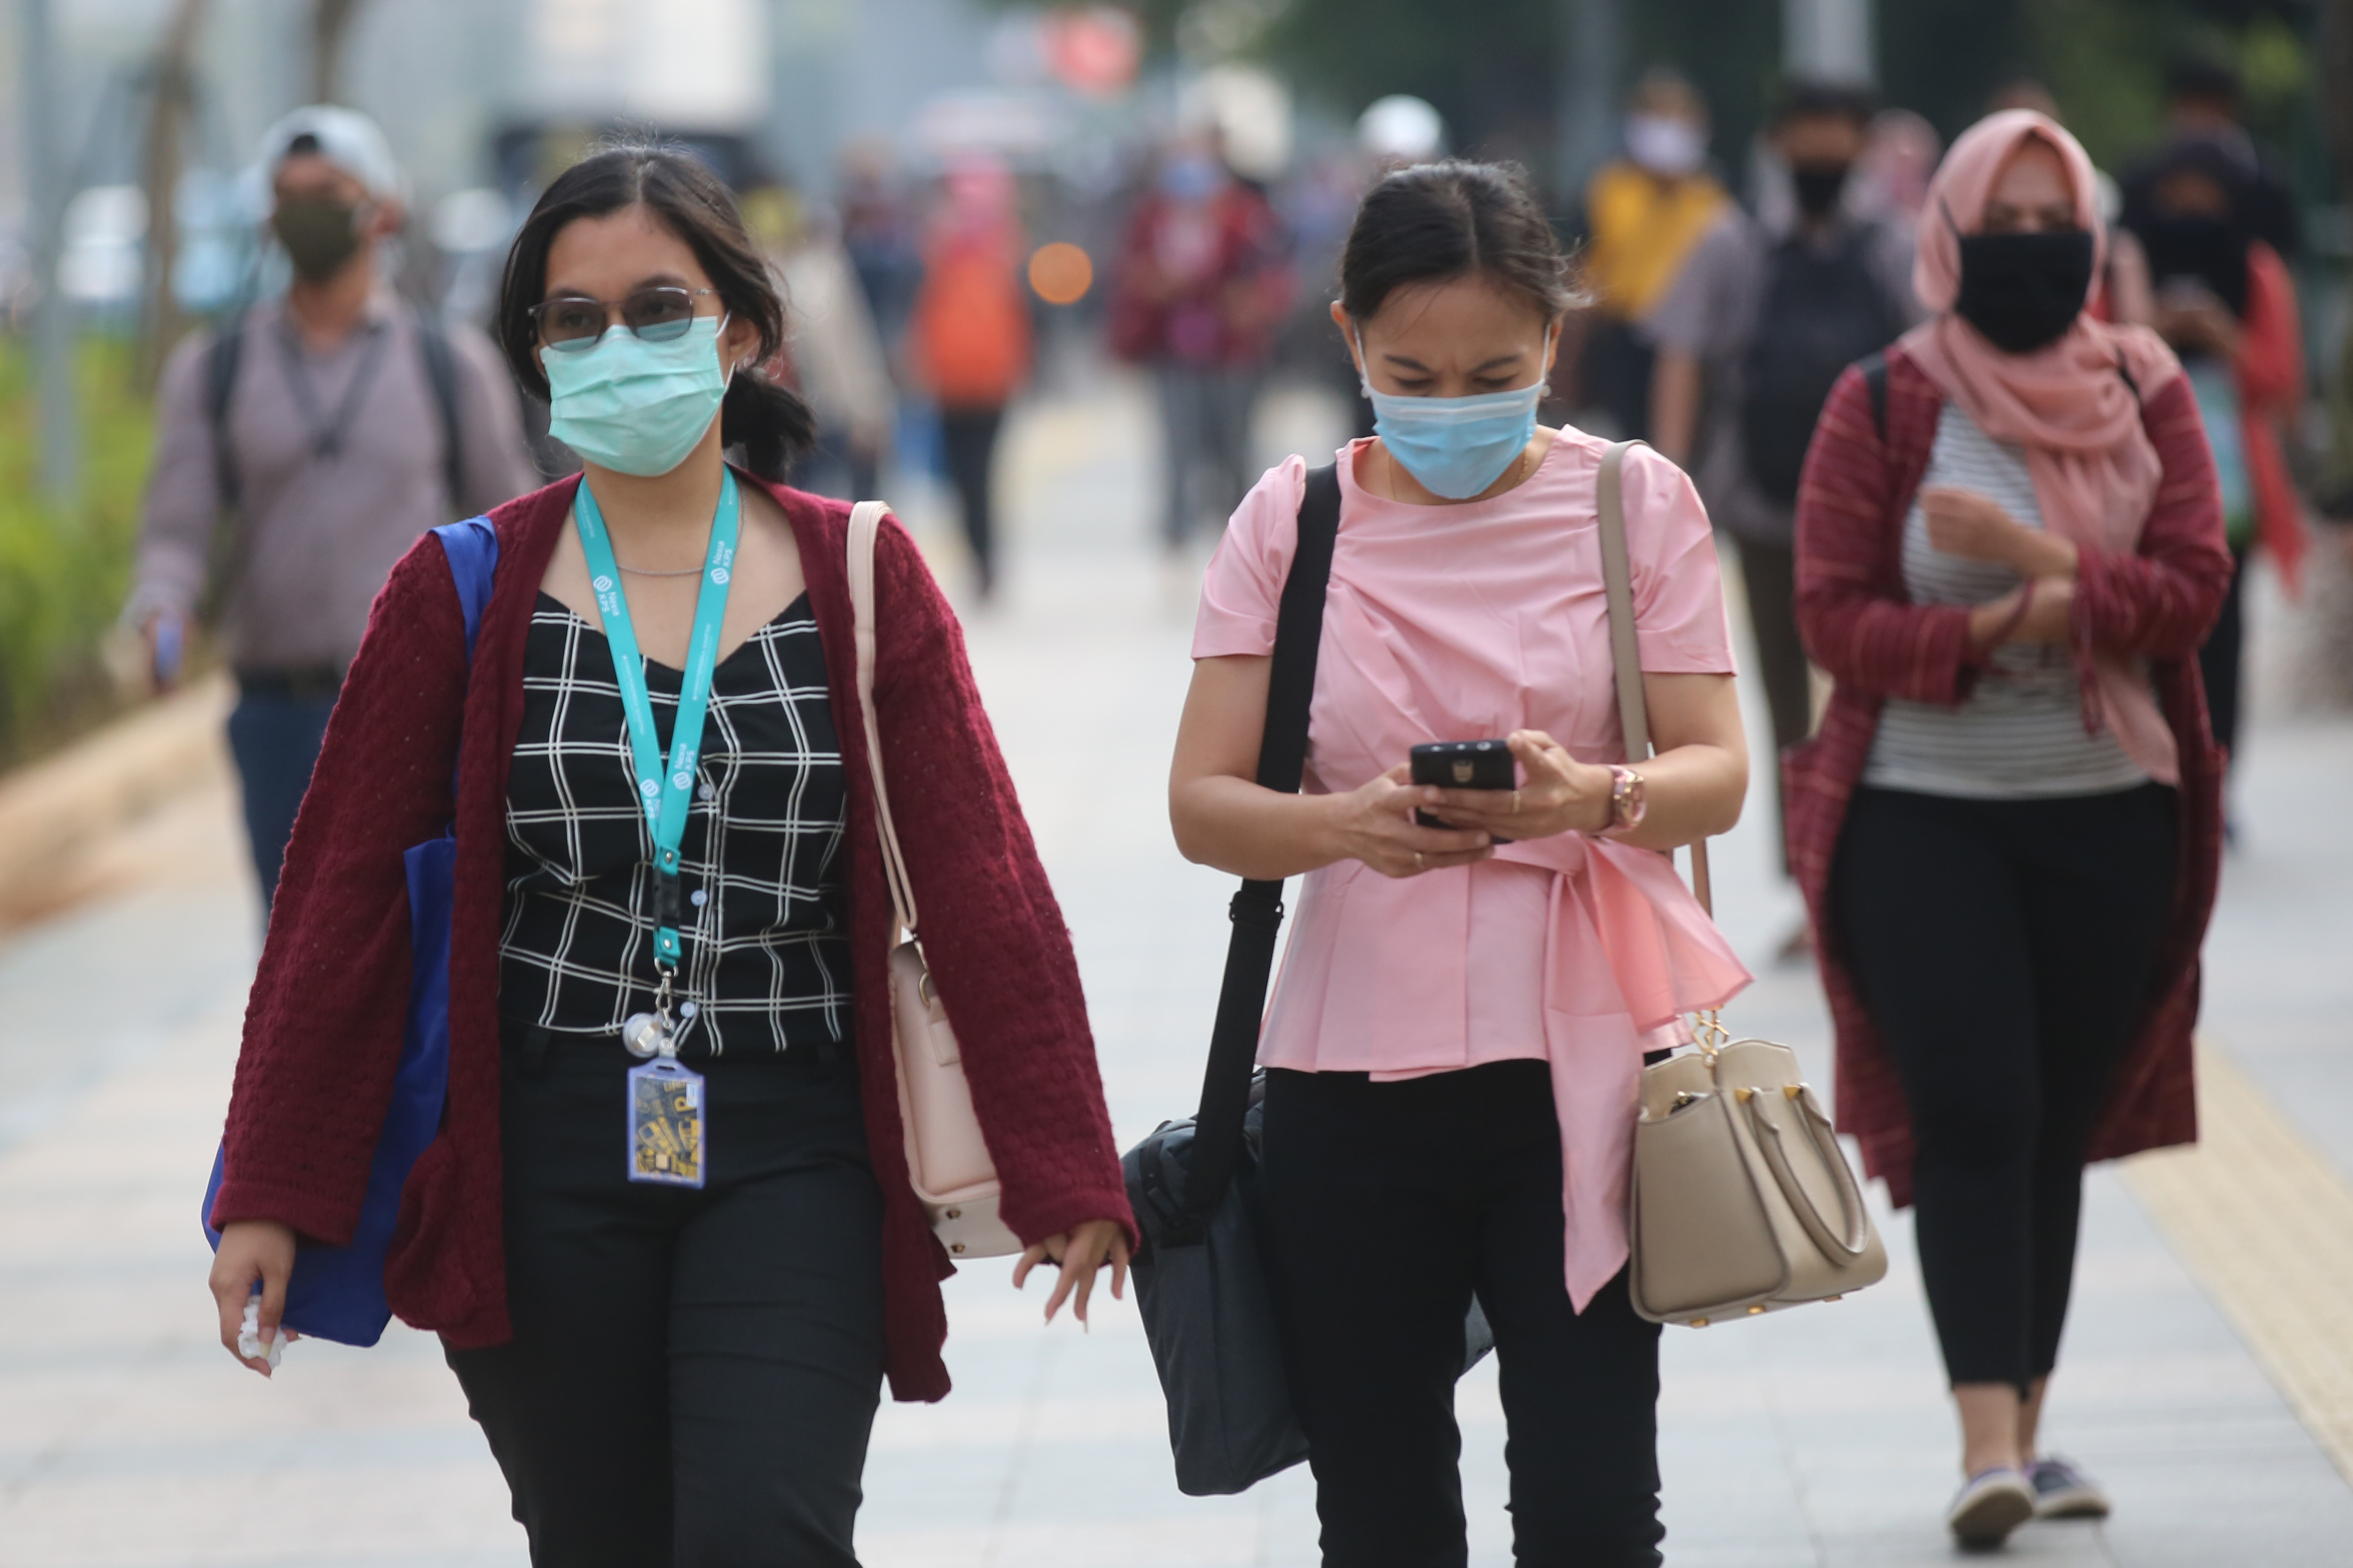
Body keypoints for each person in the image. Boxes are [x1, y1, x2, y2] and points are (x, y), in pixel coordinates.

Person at [203, 143, 1135, 1565]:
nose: (613, 348)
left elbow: (980, 880)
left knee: (767, 1528)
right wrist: (270, 1193)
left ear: (741, 332)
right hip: (543, 1143)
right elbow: (337, 904)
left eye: (655, 308)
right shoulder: (456, 587)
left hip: (797, 1140)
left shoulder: (862, 573)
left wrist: (1064, 1164)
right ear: (531, 351)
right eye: (570, 321)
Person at [1170, 160, 1751, 1567]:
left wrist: (1592, 792)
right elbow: (1200, 802)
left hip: (1587, 1078)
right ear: (1347, 337)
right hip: (1342, 1083)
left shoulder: (1634, 502)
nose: (1450, 407)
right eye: (1409, 373)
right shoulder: (1290, 519)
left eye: (1493, 369)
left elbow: (1713, 768)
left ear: (1555, 339)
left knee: (1590, 1508)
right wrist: (1342, 825)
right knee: (1377, 1514)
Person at [1787, 111, 2229, 1547]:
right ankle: (1985, 1443)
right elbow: (1828, 615)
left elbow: (2190, 588)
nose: (2031, 250)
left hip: (2109, 821)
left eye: (2059, 223)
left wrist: (2053, 586)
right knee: (1973, 1111)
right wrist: (1986, 634)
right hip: (1920, 817)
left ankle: (2027, 1434)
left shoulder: (2144, 385)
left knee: (2049, 1124)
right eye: (2004, 220)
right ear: (1946, 229)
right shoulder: (1883, 400)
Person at [124, 105, 536, 908]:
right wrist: (162, 609)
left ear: (383, 210)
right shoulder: (213, 369)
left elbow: (509, 529)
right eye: (288, 195)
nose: (305, 210)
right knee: (295, 952)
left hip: (418, 708)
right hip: (278, 714)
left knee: (416, 948)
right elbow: (177, 524)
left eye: (328, 191)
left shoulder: (449, 363)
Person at [1649, 80, 1916, 912]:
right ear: (1777, 142)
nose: (1821, 156)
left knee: (1872, 686)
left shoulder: (1894, 247)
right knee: (1782, 697)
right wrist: (1663, 480)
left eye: (1837, 138)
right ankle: (1813, 881)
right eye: (1807, 137)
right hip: (1763, 509)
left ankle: (1866, 861)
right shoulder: (1732, 243)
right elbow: (1682, 357)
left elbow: (1930, 364)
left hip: (1876, 517)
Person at [2121, 137, 2307, 789]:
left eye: (2205, 200)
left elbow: (2280, 382)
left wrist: (2226, 339)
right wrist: (2155, 333)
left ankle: (2213, 778)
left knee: (2222, 639)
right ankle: (2153, 771)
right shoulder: (2123, 262)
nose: (2189, 213)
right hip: (2136, 487)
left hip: (2230, 493)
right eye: (2177, 199)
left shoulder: (2255, 272)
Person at [1107, 135, 1293, 552]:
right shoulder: (1150, 222)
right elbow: (1129, 278)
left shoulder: (1246, 221)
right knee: (1177, 444)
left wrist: (1245, 303)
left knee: (1235, 445)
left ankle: (1243, 532)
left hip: (1233, 354)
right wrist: (1158, 287)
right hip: (1172, 353)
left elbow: (1273, 282)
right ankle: (1176, 533)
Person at [1570, 68, 1729, 441]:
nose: (1668, 131)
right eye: (1657, 117)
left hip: (1693, 346)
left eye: (1679, 119)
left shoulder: (1712, 198)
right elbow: (1583, 262)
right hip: (1622, 339)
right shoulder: (1608, 188)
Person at [907, 154, 1031, 598]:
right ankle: (983, 561)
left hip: (971, 382)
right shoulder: (996, 250)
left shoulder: (948, 252)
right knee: (974, 477)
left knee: (969, 478)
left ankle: (982, 559)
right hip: (968, 382)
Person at [743, 183, 895, 501]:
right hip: (762, 420)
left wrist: (868, 411)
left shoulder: (823, 270)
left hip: (822, 416)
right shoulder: (742, 279)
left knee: (821, 511)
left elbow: (851, 345)